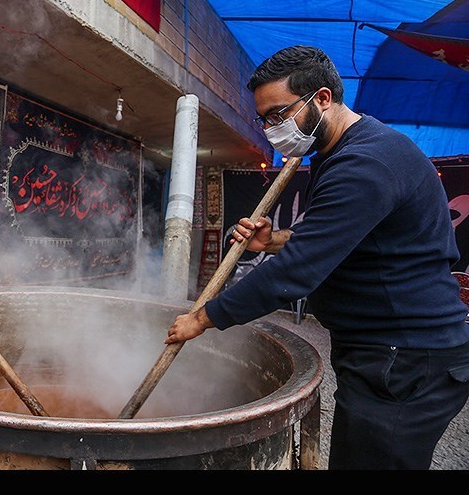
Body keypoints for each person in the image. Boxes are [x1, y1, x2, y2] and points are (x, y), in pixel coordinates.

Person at [165, 45, 469, 470]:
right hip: (385, 352)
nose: (271, 129)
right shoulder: (340, 153)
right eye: (264, 118)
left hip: (408, 358)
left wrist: (202, 318)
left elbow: (296, 273)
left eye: (279, 114)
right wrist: (273, 241)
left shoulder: (366, 163)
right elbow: (339, 239)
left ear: (322, 98)